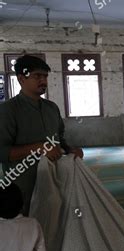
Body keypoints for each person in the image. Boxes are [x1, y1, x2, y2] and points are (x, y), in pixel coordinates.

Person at [0, 55, 84, 215]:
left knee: (54, 226)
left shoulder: (51, 108)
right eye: (37, 76)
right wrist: (39, 148)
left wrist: (71, 150)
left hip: (53, 183)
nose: (43, 81)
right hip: (23, 188)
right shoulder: (8, 111)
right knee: (28, 232)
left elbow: (60, 139)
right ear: (21, 79)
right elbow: (2, 152)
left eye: (45, 76)